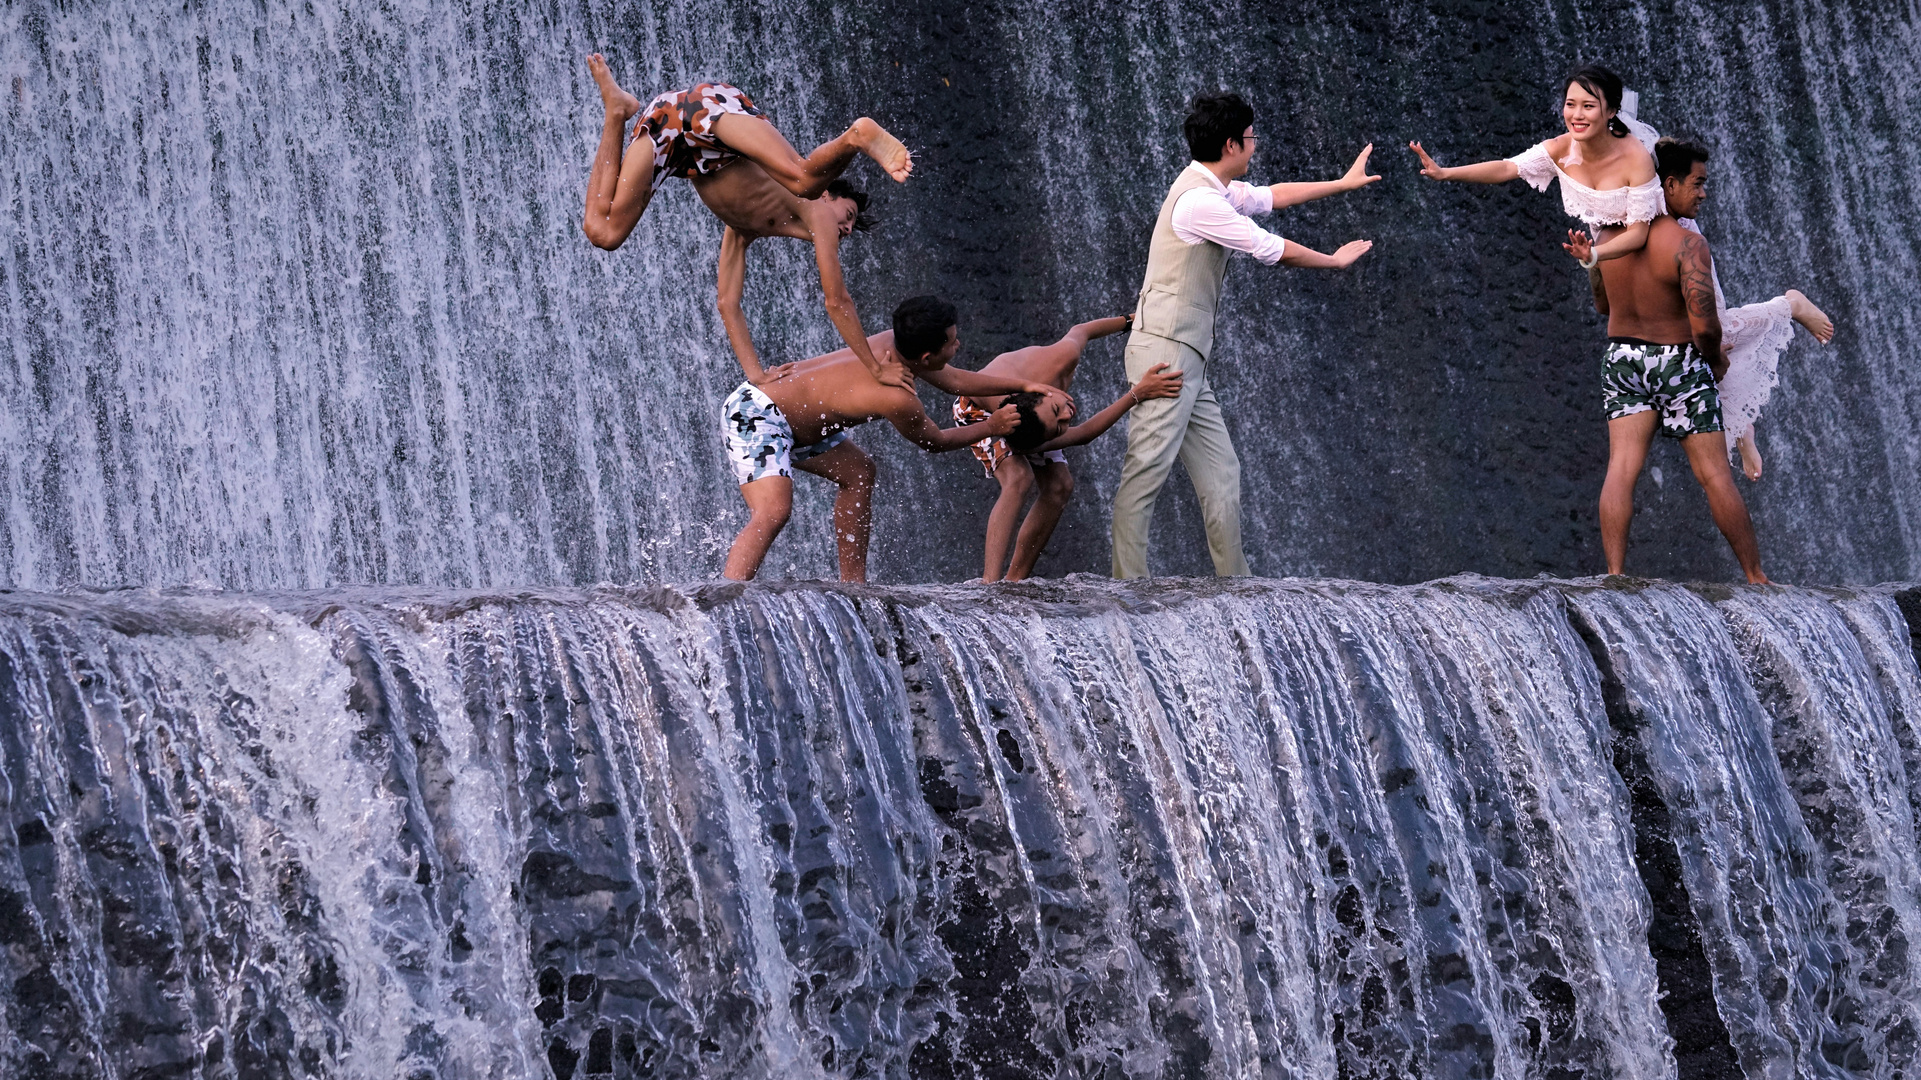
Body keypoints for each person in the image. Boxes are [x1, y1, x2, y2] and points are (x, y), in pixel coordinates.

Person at [1110, 90, 1376, 579]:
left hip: (1190, 356)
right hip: (1165, 353)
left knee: (1222, 473)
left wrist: (1341, 184)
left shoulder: (1212, 187)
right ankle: (1128, 587)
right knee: (1146, 470)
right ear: (1232, 144)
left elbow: (1271, 196)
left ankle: (1236, 587)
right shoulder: (1199, 203)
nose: (1255, 145)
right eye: (1251, 138)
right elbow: (1268, 247)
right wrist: (1334, 260)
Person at [715, 235, 1041, 581]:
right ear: (928, 357)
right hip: (757, 415)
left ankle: (853, 584)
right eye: (953, 342)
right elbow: (935, 441)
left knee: (859, 472)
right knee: (774, 510)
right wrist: (992, 428)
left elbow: (958, 381)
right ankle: (728, 594)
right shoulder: (897, 397)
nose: (958, 344)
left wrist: (1022, 385)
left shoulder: (893, 341)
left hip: (796, 424)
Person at [582, 55, 912, 385]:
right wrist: (876, 369)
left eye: (851, 228)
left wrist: (757, 375)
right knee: (803, 180)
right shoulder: (818, 210)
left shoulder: (741, 227)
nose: (847, 228)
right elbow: (836, 300)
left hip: (677, 136)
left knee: (603, 232)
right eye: (849, 215)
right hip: (707, 111)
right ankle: (856, 137)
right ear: (830, 196)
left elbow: (727, 303)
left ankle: (616, 111)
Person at [1564, 208, 1771, 583]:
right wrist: (1716, 363)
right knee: (1714, 475)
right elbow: (1705, 325)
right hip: (1676, 358)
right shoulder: (1687, 243)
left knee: (1621, 468)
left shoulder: (1608, 239)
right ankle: (1755, 576)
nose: (1702, 194)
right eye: (1696, 183)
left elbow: (1603, 306)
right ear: (1668, 185)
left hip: (1623, 358)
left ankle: (1614, 573)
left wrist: (1590, 263)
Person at [1643, 137, 1835, 481]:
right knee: (1693, 349)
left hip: (1683, 243)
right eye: (1699, 184)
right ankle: (1742, 425)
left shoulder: (1672, 208)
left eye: (1704, 184)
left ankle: (1789, 305)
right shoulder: (1625, 182)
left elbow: (1644, 139)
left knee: (1718, 333)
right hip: (1658, 261)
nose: (1704, 194)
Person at [951, 315, 1185, 582]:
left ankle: (1016, 580)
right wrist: (1136, 394)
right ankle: (990, 585)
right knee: (1018, 477)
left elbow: (1082, 330)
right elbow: (1082, 433)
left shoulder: (1059, 358)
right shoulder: (1028, 416)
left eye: (1058, 417)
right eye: (1059, 420)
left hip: (1027, 414)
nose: (1067, 415)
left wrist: (1134, 318)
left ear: (1042, 392)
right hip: (978, 412)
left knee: (1060, 485)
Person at [1411, 64, 1661, 267]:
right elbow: (1507, 168)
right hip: (1602, 250)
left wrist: (1593, 254)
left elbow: (1638, 233)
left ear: (1611, 111)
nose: (1576, 115)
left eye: (1588, 106)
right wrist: (1444, 173)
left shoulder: (1635, 157)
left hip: (1654, 243)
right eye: (1570, 104)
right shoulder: (1559, 149)